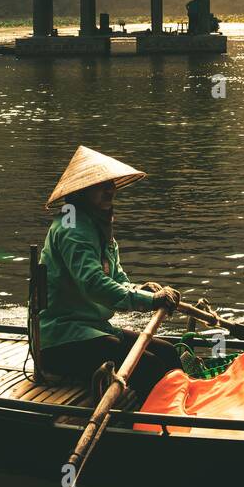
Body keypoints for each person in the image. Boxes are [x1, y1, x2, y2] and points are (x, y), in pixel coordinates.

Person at [38, 145, 181, 399]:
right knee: (149, 366)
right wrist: (150, 301)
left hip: (93, 327)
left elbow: (115, 278)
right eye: (100, 185)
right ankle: (156, 427)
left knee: (168, 353)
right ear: (82, 191)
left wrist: (138, 290)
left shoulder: (97, 223)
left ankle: (182, 409)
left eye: (111, 183)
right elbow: (94, 283)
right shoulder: (72, 226)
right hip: (61, 338)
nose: (110, 189)